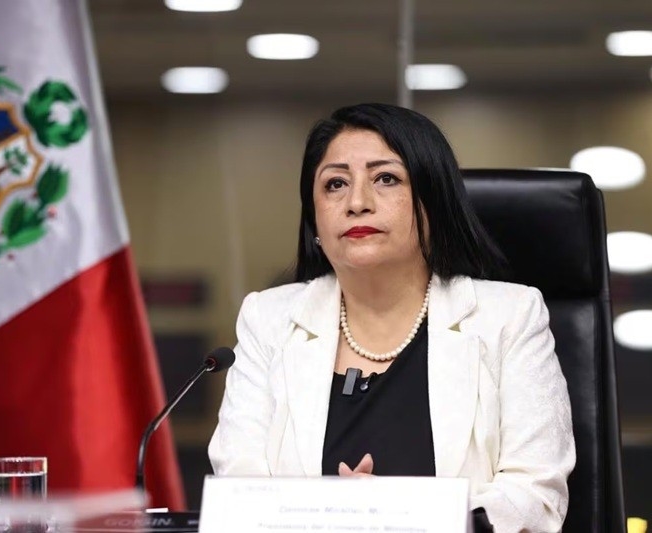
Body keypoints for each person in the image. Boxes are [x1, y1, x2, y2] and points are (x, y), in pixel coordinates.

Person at [208, 103, 575, 532]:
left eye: (386, 178)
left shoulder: (508, 317)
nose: (357, 202)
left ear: (432, 203)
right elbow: (239, 494)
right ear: (314, 220)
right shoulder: (268, 320)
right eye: (335, 184)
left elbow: (535, 497)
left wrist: (398, 515)